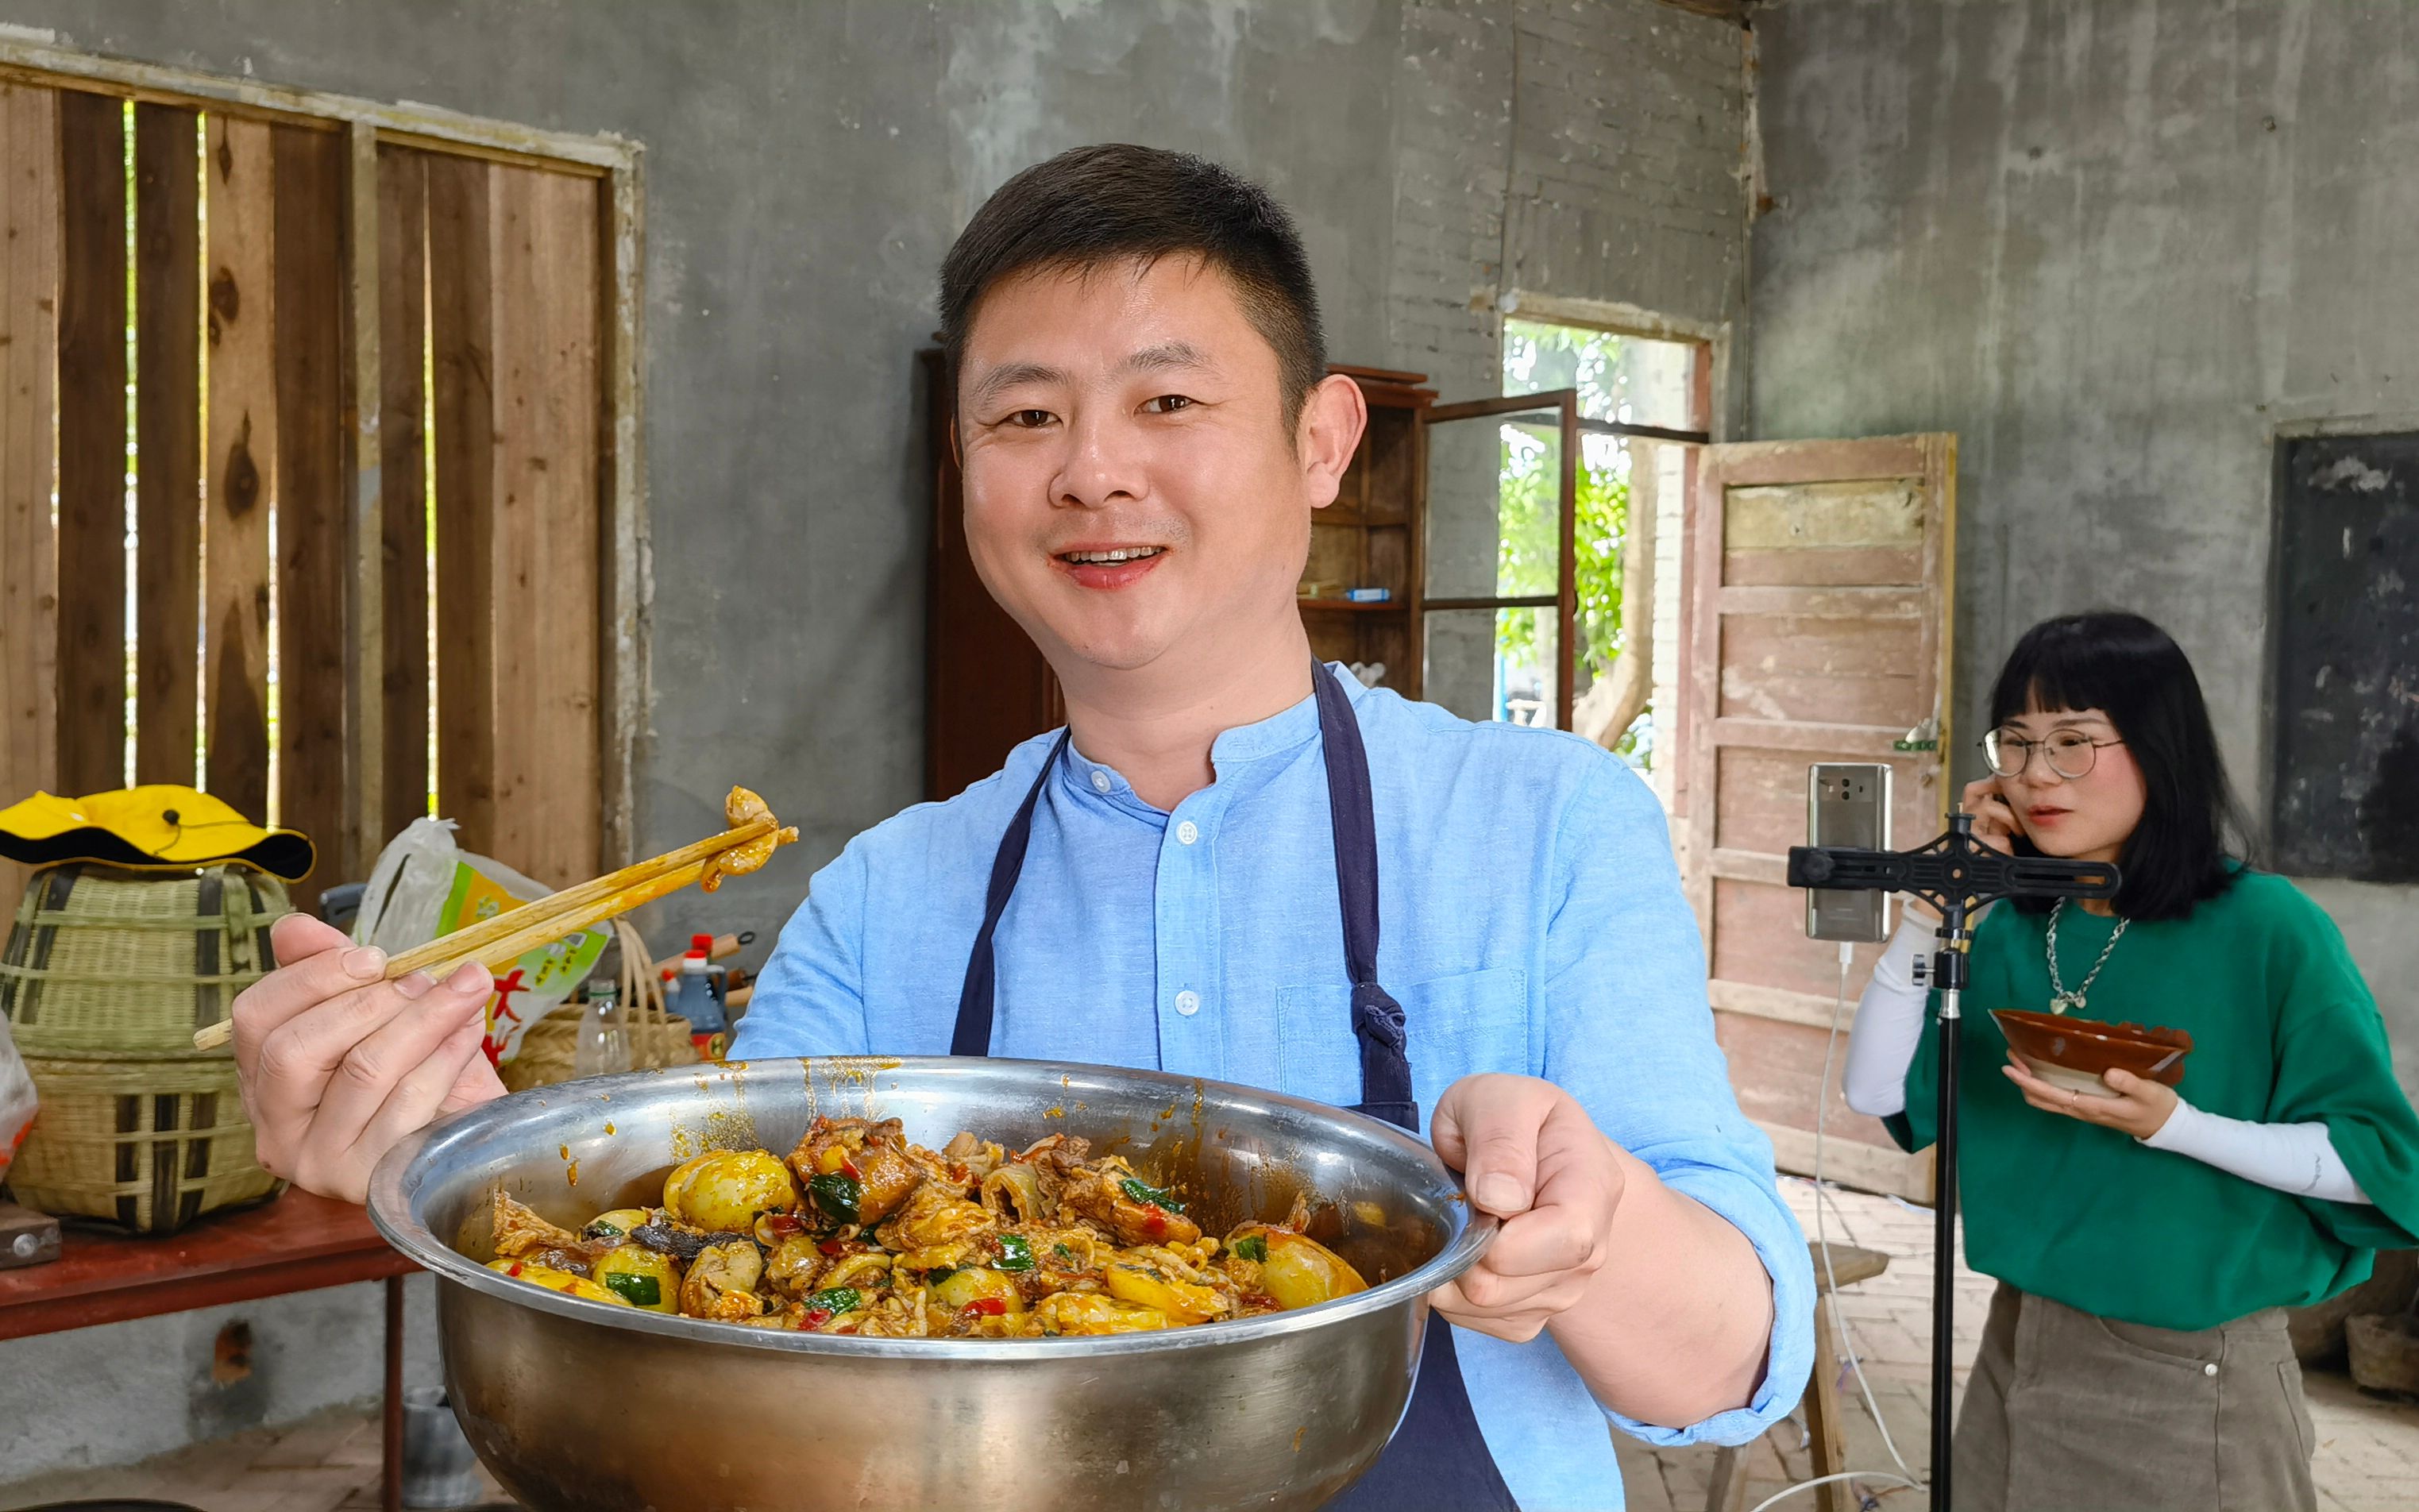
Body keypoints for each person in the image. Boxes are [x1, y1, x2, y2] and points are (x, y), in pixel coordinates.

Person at [226, 144, 1811, 1510]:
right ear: (963, 463)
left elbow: (1732, 1357)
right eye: (1025, 419)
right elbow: (737, 1357)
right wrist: (432, 1150)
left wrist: (1591, 1229)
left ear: (1322, 440)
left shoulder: (1544, 823)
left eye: (1167, 398)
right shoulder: (880, 904)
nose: (1092, 473)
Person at [1842, 611, 2419, 1512]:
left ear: (2158, 745)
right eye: (2018, 743)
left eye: (2073, 741)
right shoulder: (2017, 922)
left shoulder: (2268, 928)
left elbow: (2378, 1166)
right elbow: (1875, 1090)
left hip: (2193, 1368)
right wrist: (1930, 912)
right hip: (2018, 1339)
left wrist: (2176, 1126)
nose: (2035, 775)